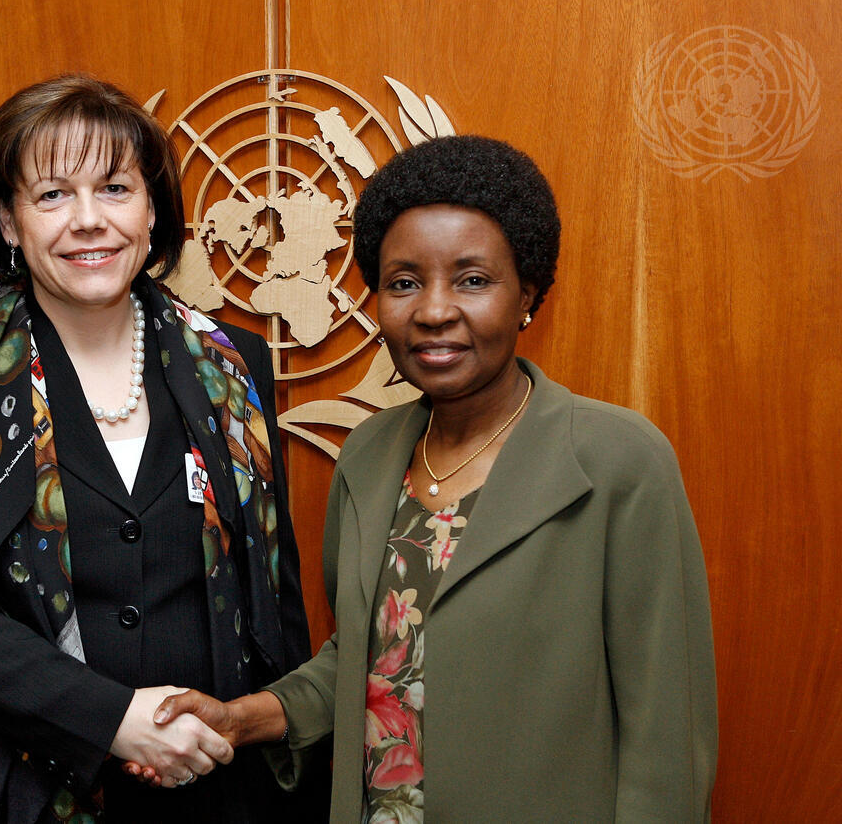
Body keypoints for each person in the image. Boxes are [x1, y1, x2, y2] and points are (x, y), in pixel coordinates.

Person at [144, 135, 718, 821]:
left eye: (472, 280)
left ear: (528, 293)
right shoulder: (368, 455)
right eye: (404, 282)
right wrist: (242, 718)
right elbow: (372, 660)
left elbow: (666, 737)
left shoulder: (617, 460)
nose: (434, 310)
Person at [0, 75, 323, 823]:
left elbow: (275, 596)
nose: (89, 221)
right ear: (9, 221)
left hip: (215, 785)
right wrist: (111, 719)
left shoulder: (237, 366)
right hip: (6, 792)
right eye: (52, 195)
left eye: (115, 188)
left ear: (152, 209)